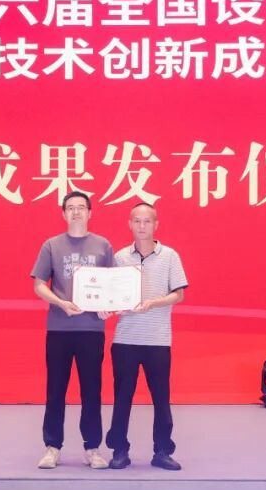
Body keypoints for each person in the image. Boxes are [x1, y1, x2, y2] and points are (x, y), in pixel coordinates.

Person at [30, 191, 115, 470]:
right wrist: (60, 303)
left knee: (92, 390)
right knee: (55, 390)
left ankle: (92, 448)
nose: (76, 212)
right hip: (59, 328)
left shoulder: (102, 245)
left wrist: (108, 307)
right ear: (63, 213)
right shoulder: (51, 245)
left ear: (90, 213)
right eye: (70, 208)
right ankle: (52, 447)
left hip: (91, 330)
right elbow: (39, 285)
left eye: (81, 207)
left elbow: (112, 286)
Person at [105, 203, 188, 471]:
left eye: (147, 221)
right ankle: (119, 450)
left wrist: (153, 303)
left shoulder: (170, 256)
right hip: (125, 340)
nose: (142, 226)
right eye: (137, 221)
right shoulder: (119, 258)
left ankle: (162, 451)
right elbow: (111, 295)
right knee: (122, 398)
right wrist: (108, 307)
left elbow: (179, 294)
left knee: (161, 398)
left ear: (156, 225)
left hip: (157, 340)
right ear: (129, 224)